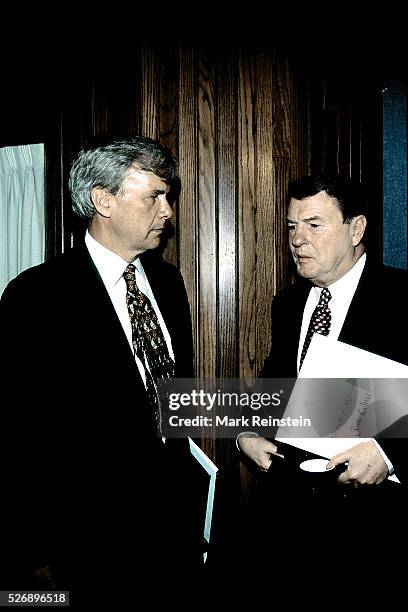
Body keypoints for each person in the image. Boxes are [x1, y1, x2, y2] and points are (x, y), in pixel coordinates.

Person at [0, 135, 202, 596]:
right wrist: (32, 557)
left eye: (168, 196)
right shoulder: (36, 298)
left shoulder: (168, 284)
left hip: (174, 543)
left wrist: (251, 425)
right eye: (155, 195)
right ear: (103, 199)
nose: (168, 210)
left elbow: (171, 402)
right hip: (86, 552)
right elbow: (15, 435)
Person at [236, 174, 408, 589]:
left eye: (314, 224)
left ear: (357, 229)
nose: (297, 239)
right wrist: (247, 430)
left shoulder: (403, 298)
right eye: (292, 226)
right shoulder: (289, 304)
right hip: (290, 522)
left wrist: (387, 453)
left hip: (374, 528)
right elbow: (275, 385)